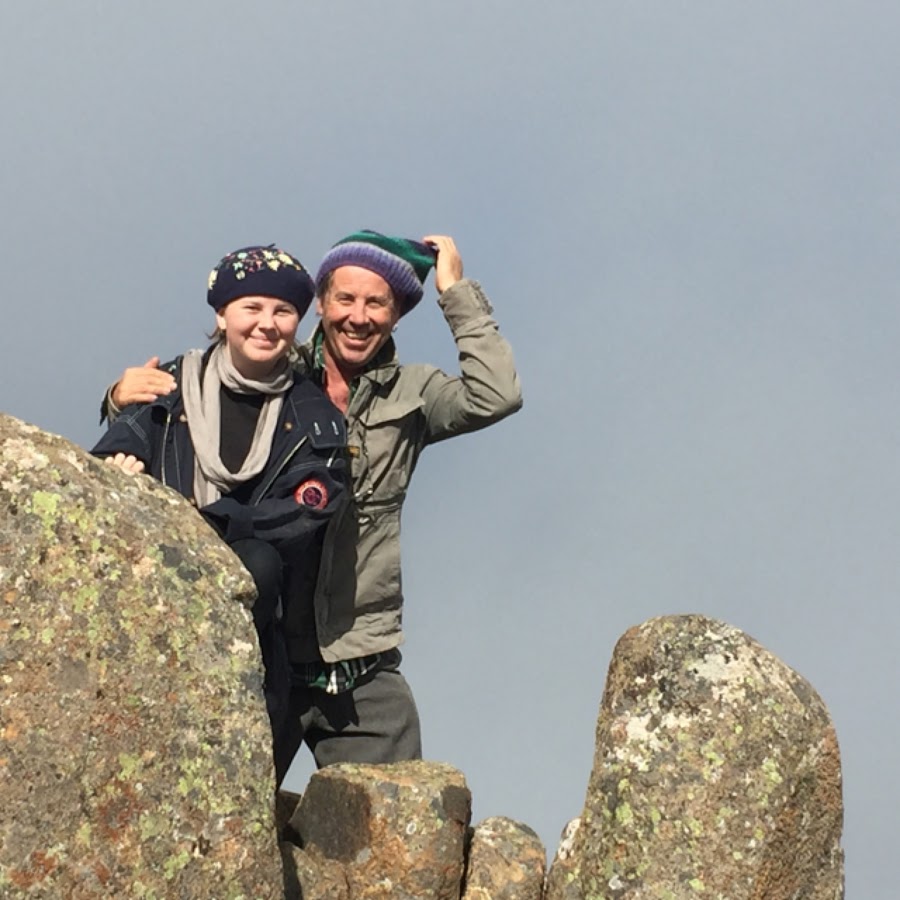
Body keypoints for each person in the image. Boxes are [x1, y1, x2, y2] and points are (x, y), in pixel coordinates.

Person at [103, 231, 522, 783]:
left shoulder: (415, 393)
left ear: (396, 315)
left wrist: (454, 291)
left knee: (396, 818)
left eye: (377, 303)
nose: (358, 316)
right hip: (264, 646)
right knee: (216, 805)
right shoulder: (277, 368)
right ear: (319, 306)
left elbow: (497, 394)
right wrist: (119, 396)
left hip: (359, 657)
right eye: (344, 298)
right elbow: (189, 408)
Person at [92, 245, 348, 770]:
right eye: (251, 307)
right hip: (150, 606)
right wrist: (117, 459)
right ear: (222, 315)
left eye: (282, 311)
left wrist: (203, 524)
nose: (266, 324)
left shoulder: (314, 416)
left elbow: (306, 510)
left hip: (256, 640)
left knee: (259, 563)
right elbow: (114, 453)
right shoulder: (169, 386)